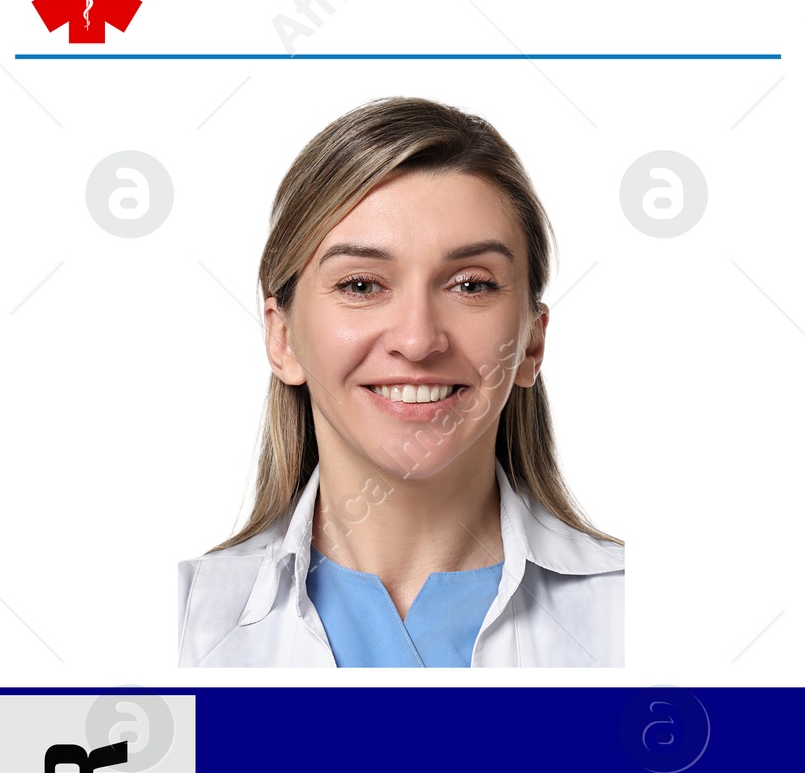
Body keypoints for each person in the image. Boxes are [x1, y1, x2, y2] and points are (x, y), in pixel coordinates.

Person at [177, 96, 622, 668]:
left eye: (470, 285)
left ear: (531, 343)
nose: (417, 341)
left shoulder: (642, 615)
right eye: (361, 285)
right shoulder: (178, 623)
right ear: (282, 338)